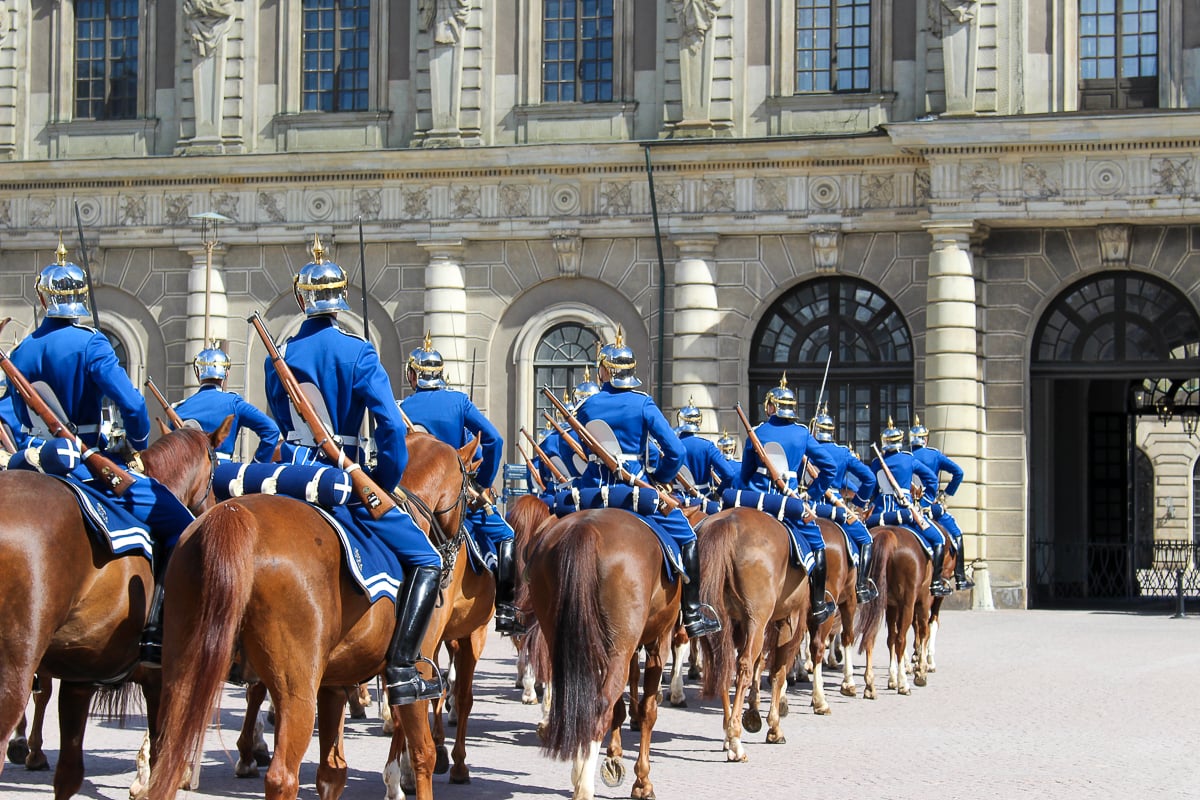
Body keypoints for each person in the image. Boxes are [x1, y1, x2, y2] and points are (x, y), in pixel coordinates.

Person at [264, 235, 442, 705]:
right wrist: (380, 482)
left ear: (303, 299)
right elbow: (388, 428)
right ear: (340, 300)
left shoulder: (278, 355)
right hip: (342, 473)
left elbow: (282, 421)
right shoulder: (359, 352)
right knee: (428, 559)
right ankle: (403, 667)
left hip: (291, 473)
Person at [8, 242, 194, 665]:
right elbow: (131, 404)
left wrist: (27, 453)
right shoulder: (91, 344)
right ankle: (154, 632)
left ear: (43, 299)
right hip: (85, 463)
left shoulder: (23, 350)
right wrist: (139, 445)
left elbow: (6, 415)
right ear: (76, 300)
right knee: (180, 523)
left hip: (33, 464)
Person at [572, 329, 720, 638]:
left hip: (592, 491)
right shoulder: (642, 404)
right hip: (635, 491)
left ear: (605, 371)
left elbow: (585, 452)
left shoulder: (587, 406)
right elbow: (675, 451)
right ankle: (691, 613)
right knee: (688, 538)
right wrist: (661, 477)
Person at [400, 332, 524, 635]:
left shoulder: (402, 406)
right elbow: (494, 439)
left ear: (413, 376)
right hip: (456, 495)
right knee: (506, 535)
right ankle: (506, 609)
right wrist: (481, 483)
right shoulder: (457, 402)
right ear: (441, 375)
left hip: (410, 496)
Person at [736, 375, 839, 622]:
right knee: (818, 547)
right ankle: (817, 604)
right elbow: (830, 468)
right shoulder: (801, 434)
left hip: (757, 501)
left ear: (770, 406)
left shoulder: (758, 432)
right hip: (789, 506)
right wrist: (811, 495)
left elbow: (744, 474)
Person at [865, 418, 952, 597]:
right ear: (900, 442)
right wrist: (925, 500)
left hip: (879, 515)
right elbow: (931, 479)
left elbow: (872, 488)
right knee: (939, 540)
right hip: (905, 512)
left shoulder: (876, 462)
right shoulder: (908, 459)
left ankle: (862, 582)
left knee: (859, 542)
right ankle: (935, 582)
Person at [808, 407, 879, 602]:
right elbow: (870, 479)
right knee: (866, 540)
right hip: (834, 509)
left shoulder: (805, 449)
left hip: (806, 506)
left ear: (814, 430)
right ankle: (862, 585)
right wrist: (857, 504)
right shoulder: (842, 453)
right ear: (832, 432)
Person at [172, 344, 282, 463]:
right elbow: (271, 430)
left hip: (189, 474)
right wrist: (256, 465)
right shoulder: (234, 404)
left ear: (198, 373)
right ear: (226, 374)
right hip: (222, 473)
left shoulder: (179, 409)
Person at [909, 416, 975, 591]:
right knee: (956, 534)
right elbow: (958, 473)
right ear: (926, 439)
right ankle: (960, 577)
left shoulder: (904, 456)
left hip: (907, 508)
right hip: (929, 507)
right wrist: (946, 494)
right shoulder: (934, 454)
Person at [674, 397, 737, 500]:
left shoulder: (672, 445)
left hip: (677, 499)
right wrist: (718, 493)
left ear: (680, 420)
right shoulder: (707, 446)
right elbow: (729, 474)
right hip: (703, 499)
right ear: (699, 421)